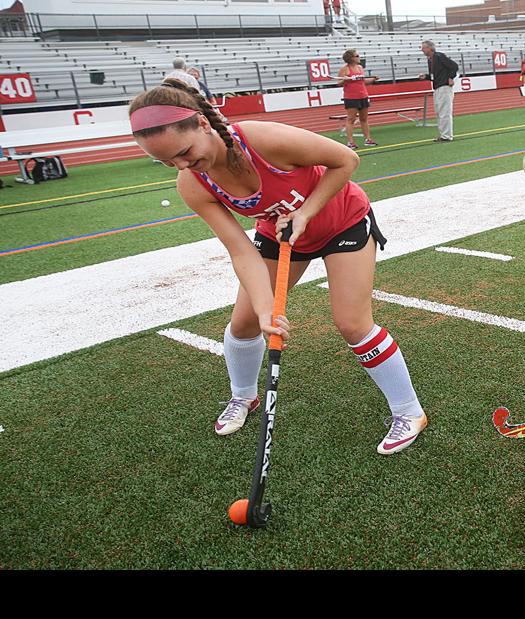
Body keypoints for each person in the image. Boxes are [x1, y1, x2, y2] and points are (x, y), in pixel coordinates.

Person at [127, 76, 428, 455]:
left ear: (202, 124)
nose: (182, 164)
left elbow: (345, 160)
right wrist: (266, 308)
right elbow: (241, 251)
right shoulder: (192, 184)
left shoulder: (261, 140)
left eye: (184, 152)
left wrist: (305, 212)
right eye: (167, 161)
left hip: (343, 220)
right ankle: (243, 397)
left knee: (352, 323)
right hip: (281, 235)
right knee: (246, 321)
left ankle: (409, 411)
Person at [338, 49, 379, 148]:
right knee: (351, 119)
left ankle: (368, 139)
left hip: (363, 95)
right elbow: (339, 83)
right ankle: (350, 142)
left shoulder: (360, 67)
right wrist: (346, 79)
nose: (359, 57)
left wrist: (373, 80)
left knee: (364, 119)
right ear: (351, 58)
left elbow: (363, 81)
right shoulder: (344, 69)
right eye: (357, 56)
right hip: (351, 97)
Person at [417, 41, 458, 142]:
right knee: (439, 112)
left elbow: (454, 66)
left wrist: (450, 78)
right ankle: (444, 134)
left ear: (430, 48)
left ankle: (447, 136)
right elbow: (435, 75)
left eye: (423, 48)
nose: (422, 50)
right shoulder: (431, 59)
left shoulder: (439, 56)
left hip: (444, 86)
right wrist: (426, 77)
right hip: (437, 86)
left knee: (444, 112)